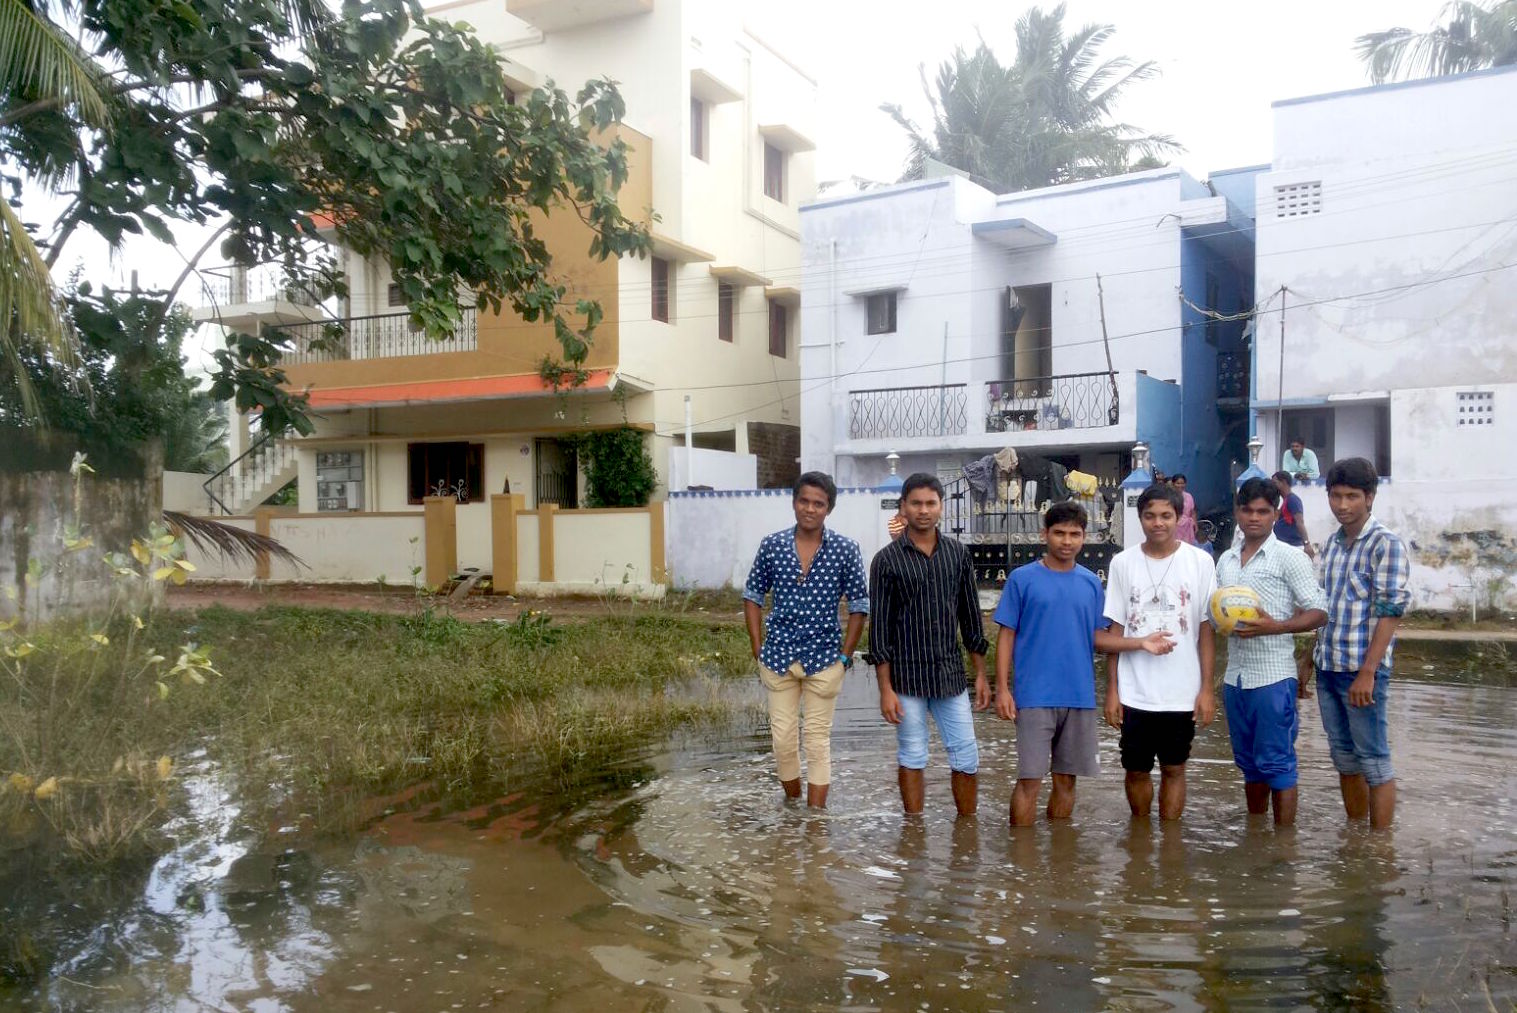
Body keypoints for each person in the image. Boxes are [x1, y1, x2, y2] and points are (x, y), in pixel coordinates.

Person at [993, 502, 1176, 826]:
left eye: (1074, 534)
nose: (1067, 541)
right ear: (1044, 534)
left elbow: (1097, 637)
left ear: (1084, 537)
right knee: (1029, 781)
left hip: (1079, 697)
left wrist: (1140, 643)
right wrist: (1003, 689)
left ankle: (1061, 862)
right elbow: (1006, 636)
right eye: (1059, 533)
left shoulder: (1091, 583)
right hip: (1034, 697)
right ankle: (1021, 864)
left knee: (1067, 780)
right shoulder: (1022, 579)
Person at [743, 471, 869, 809]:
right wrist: (758, 646)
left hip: (825, 659)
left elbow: (859, 606)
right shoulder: (772, 545)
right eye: (804, 501)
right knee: (782, 741)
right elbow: (752, 595)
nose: (810, 509)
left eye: (819, 503)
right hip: (778, 657)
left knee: (817, 742)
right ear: (794, 502)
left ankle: (815, 822)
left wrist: (845, 657)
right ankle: (793, 808)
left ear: (829, 508)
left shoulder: (845, 549)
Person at [869, 473, 990, 818]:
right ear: (903, 508)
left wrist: (980, 675)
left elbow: (970, 618)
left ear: (941, 508)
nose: (924, 510)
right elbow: (880, 630)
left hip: (949, 675)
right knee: (912, 754)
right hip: (906, 678)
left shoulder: (958, 554)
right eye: (916, 503)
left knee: (966, 754)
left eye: (930, 503)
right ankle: (914, 831)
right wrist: (885, 690)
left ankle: (966, 830)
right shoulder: (887, 560)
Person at [1216, 477, 1328, 826]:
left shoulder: (1290, 558)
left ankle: (1283, 847)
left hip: (1273, 678)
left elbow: (1319, 612)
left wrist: (1276, 626)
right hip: (1235, 679)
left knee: (1277, 763)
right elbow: (1218, 609)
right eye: (1247, 510)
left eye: (1263, 512)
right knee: (1249, 764)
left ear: (1276, 515)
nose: (1254, 518)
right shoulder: (1227, 560)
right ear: (1237, 512)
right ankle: (1256, 834)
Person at [1103, 483, 1218, 821]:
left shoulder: (1200, 562)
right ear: (1140, 519)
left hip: (1182, 692)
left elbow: (1205, 629)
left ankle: (1170, 842)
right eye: (1150, 516)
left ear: (1179, 517)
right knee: (1135, 770)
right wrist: (1113, 691)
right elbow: (1116, 630)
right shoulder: (1123, 563)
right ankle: (1140, 834)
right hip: (1134, 691)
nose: (1158, 523)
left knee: (1174, 768)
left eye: (1166, 516)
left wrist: (1207, 689)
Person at [1314, 457, 1409, 829]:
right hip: (1328, 667)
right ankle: (1356, 837)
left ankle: (1380, 846)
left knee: (1373, 758)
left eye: (1351, 496)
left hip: (1363, 671)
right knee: (1343, 758)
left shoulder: (1386, 544)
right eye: (1335, 496)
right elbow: (1324, 606)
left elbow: (1391, 612)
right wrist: (1310, 658)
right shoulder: (1333, 545)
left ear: (1369, 497)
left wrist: (1368, 672)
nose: (1342, 505)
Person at [1271, 471, 1315, 559]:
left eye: (1275, 483)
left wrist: (1307, 544)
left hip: (1293, 547)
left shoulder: (1293, 500)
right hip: (1285, 546)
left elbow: (1300, 522)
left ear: (1283, 482)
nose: (1273, 486)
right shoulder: (1286, 500)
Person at [1171, 473, 1199, 545]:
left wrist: (1195, 524)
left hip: (1187, 527)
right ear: (1173, 484)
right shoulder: (1169, 496)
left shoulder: (1189, 496)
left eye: (1182, 483)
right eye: (1178, 483)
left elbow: (1192, 512)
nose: (1180, 485)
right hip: (1175, 526)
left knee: (1187, 547)